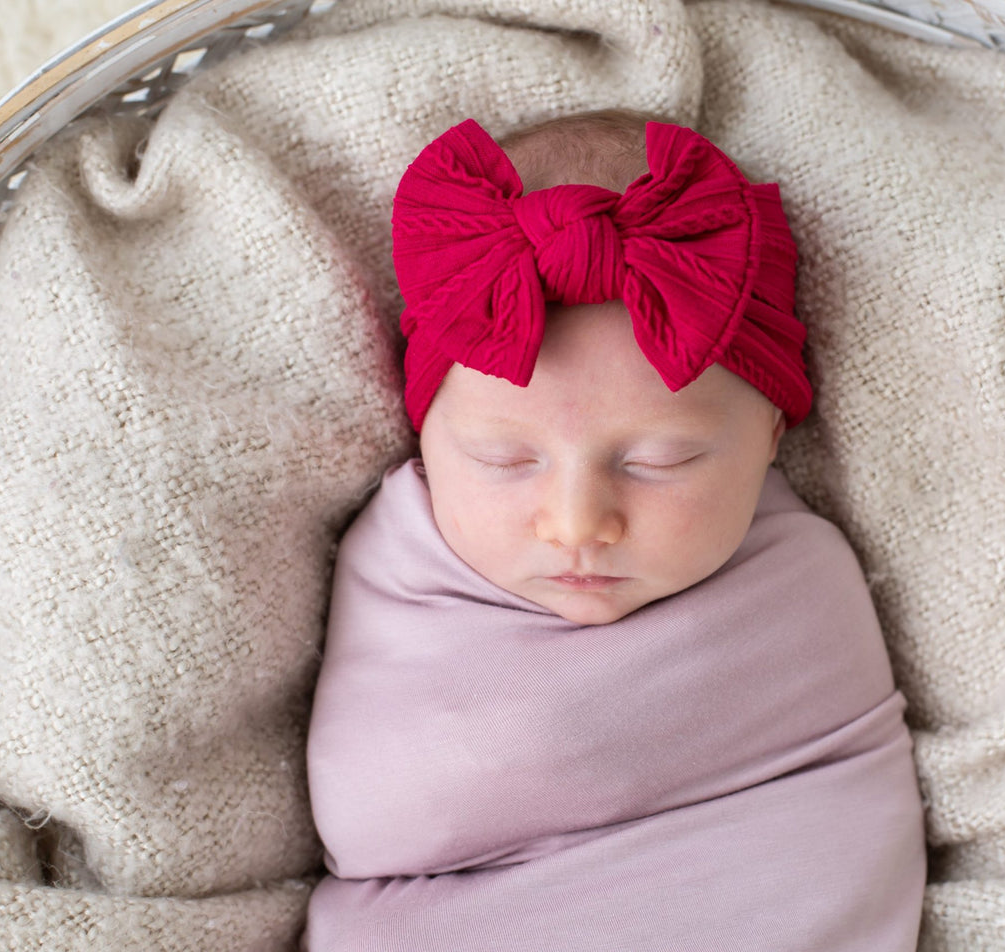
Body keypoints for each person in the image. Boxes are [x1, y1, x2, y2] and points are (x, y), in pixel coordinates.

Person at [304, 110, 926, 950]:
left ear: (771, 438)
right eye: (501, 459)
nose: (576, 523)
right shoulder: (396, 560)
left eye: (661, 461)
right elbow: (374, 812)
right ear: (425, 439)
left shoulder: (800, 576)